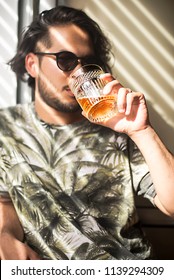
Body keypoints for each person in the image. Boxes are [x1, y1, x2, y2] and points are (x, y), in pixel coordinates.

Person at [0, 6, 174, 260]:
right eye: (66, 60)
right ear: (32, 64)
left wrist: (142, 131)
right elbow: (6, 200)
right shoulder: (6, 127)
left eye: (88, 62)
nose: (78, 74)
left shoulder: (117, 127)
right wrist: (5, 234)